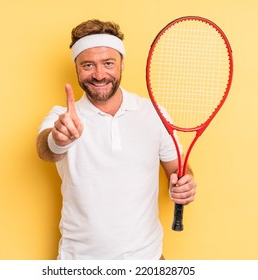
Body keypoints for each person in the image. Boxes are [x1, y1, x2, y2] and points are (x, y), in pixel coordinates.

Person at [36, 19, 197, 260]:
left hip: (148, 259)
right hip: (79, 261)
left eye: (108, 63)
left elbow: (178, 169)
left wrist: (186, 184)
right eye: (88, 65)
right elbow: (45, 149)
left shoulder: (154, 113)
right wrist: (59, 139)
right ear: (77, 68)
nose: (99, 75)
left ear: (121, 64)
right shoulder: (62, 117)